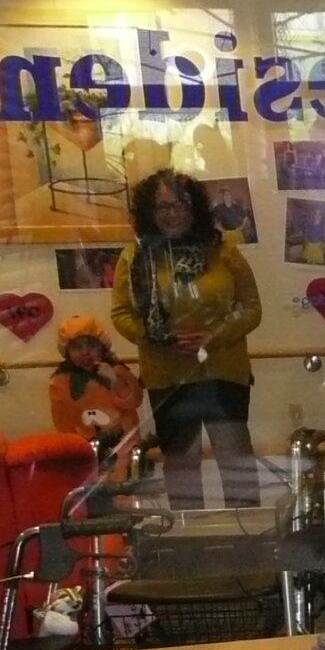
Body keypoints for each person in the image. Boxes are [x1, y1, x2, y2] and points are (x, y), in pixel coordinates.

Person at [109, 168, 263, 509]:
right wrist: (157, 337)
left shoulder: (222, 250)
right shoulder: (134, 257)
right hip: (167, 375)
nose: (173, 213)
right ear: (148, 211)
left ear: (195, 209)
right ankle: (189, 539)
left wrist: (214, 336)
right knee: (182, 467)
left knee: (236, 460)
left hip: (223, 370)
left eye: (181, 204)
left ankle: (250, 539)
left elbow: (252, 308)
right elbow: (121, 314)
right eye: (163, 206)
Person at [48, 315, 141, 451]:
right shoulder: (61, 381)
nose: (85, 352)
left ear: (102, 347)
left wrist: (115, 382)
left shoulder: (117, 370)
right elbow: (62, 420)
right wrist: (71, 446)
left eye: (91, 346)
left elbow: (135, 401)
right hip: (84, 444)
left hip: (124, 441)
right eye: (77, 347)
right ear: (67, 351)